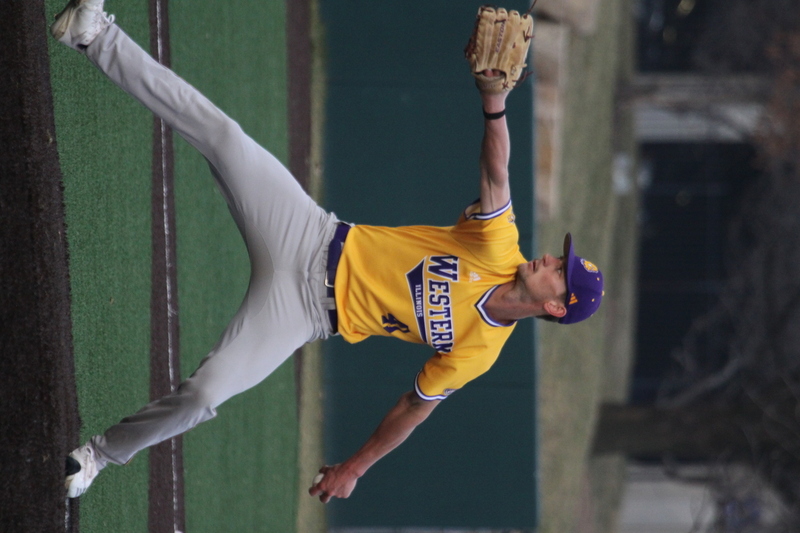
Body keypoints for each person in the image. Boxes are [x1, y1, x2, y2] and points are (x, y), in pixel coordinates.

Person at [52, 0, 604, 502]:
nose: (551, 261)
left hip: (305, 313)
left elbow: (413, 409)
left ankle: (99, 455)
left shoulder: (482, 350)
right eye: (561, 257)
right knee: (223, 136)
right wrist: (494, 103)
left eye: (561, 273)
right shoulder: (500, 245)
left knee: (204, 395)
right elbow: (497, 171)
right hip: (309, 232)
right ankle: (94, 36)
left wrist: (356, 467)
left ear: (556, 308)